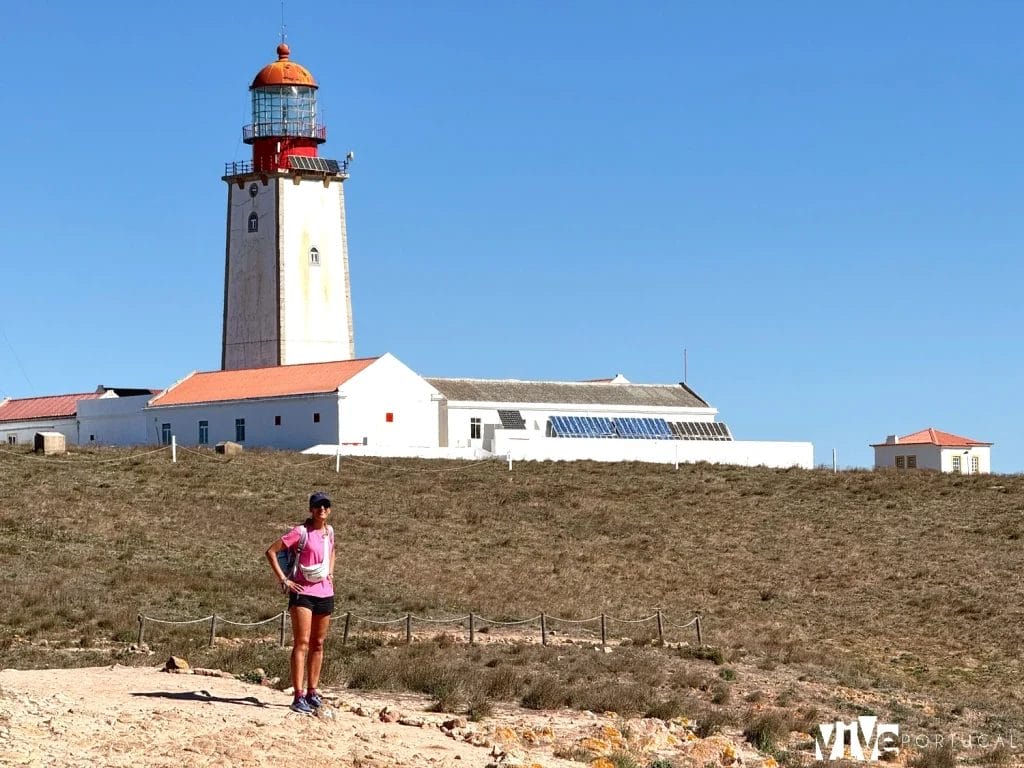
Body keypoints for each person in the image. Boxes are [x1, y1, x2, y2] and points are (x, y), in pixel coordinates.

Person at [265, 491, 336, 714]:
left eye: (325, 506)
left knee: (318, 643)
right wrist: (284, 580)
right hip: (302, 592)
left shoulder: (329, 531)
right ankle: (298, 695)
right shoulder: (300, 532)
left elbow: (333, 551)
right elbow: (271, 551)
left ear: (329, 510)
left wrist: (331, 573)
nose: (321, 509)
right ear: (311, 509)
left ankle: (312, 691)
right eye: (317, 506)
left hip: (324, 592)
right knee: (302, 642)